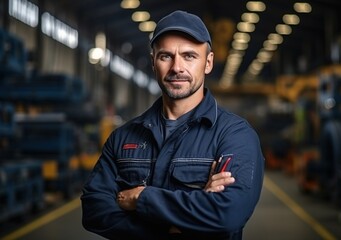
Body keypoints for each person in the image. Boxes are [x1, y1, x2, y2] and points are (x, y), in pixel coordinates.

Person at [81, 10, 264, 240]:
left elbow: (229, 213)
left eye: (189, 56)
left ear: (208, 63)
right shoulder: (124, 138)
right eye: (166, 56)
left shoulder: (234, 136)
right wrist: (175, 228)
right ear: (153, 62)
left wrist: (140, 198)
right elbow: (93, 209)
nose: (177, 67)